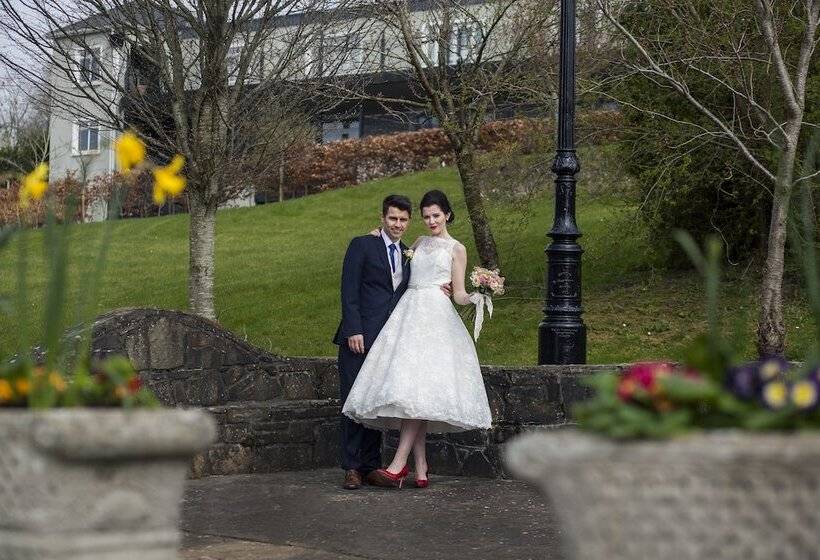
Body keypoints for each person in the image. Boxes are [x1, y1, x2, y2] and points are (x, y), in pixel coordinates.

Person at [342, 190, 493, 489]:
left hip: (434, 320)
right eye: (426, 216)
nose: (431, 220)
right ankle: (420, 466)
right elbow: (396, 264)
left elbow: (459, 293)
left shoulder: (457, 248)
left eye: (436, 215)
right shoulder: (418, 244)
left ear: (447, 214)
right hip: (405, 319)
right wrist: (376, 236)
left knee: (419, 392)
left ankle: (402, 465)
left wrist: (480, 294)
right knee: (412, 391)